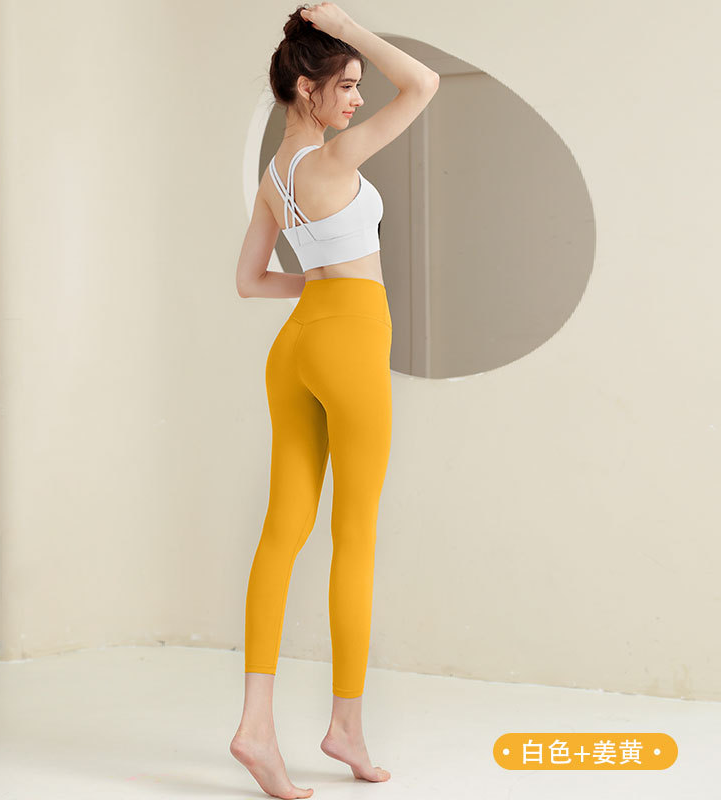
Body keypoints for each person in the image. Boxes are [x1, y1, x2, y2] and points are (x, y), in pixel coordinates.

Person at [230, 4, 439, 798]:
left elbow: (249, 282)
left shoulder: (274, 179)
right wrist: (349, 26)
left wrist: (322, 283)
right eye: (346, 84)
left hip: (296, 347)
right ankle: (344, 725)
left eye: (357, 86)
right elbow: (422, 83)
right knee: (354, 536)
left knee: (282, 531)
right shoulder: (334, 156)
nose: (357, 97)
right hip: (349, 346)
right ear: (306, 89)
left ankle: (255, 726)